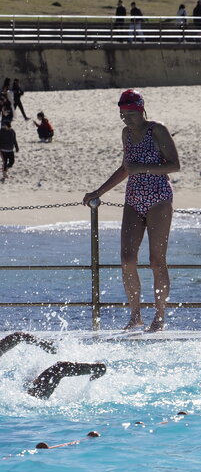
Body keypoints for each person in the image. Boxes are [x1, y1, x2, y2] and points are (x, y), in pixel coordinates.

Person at [82, 90, 180, 332]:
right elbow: (126, 168)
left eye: (130, 114)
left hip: (158, 197)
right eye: (122, 114)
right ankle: (135, 315)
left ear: (141, 109)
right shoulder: (126, 133)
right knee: (127, 259)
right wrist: (99, 192)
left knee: (157, 261)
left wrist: (143, 168)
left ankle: (159, 317)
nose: (126, 119)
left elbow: (174, 165)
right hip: (133, 198)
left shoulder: (157, 129)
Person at [1, 333, 107, 400]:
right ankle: (97, 369)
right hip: (32, 397)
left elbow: (18, 336)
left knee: (46, 370)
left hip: (23, 391)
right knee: (60, 368)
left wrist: (44, 344)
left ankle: (97, 369)